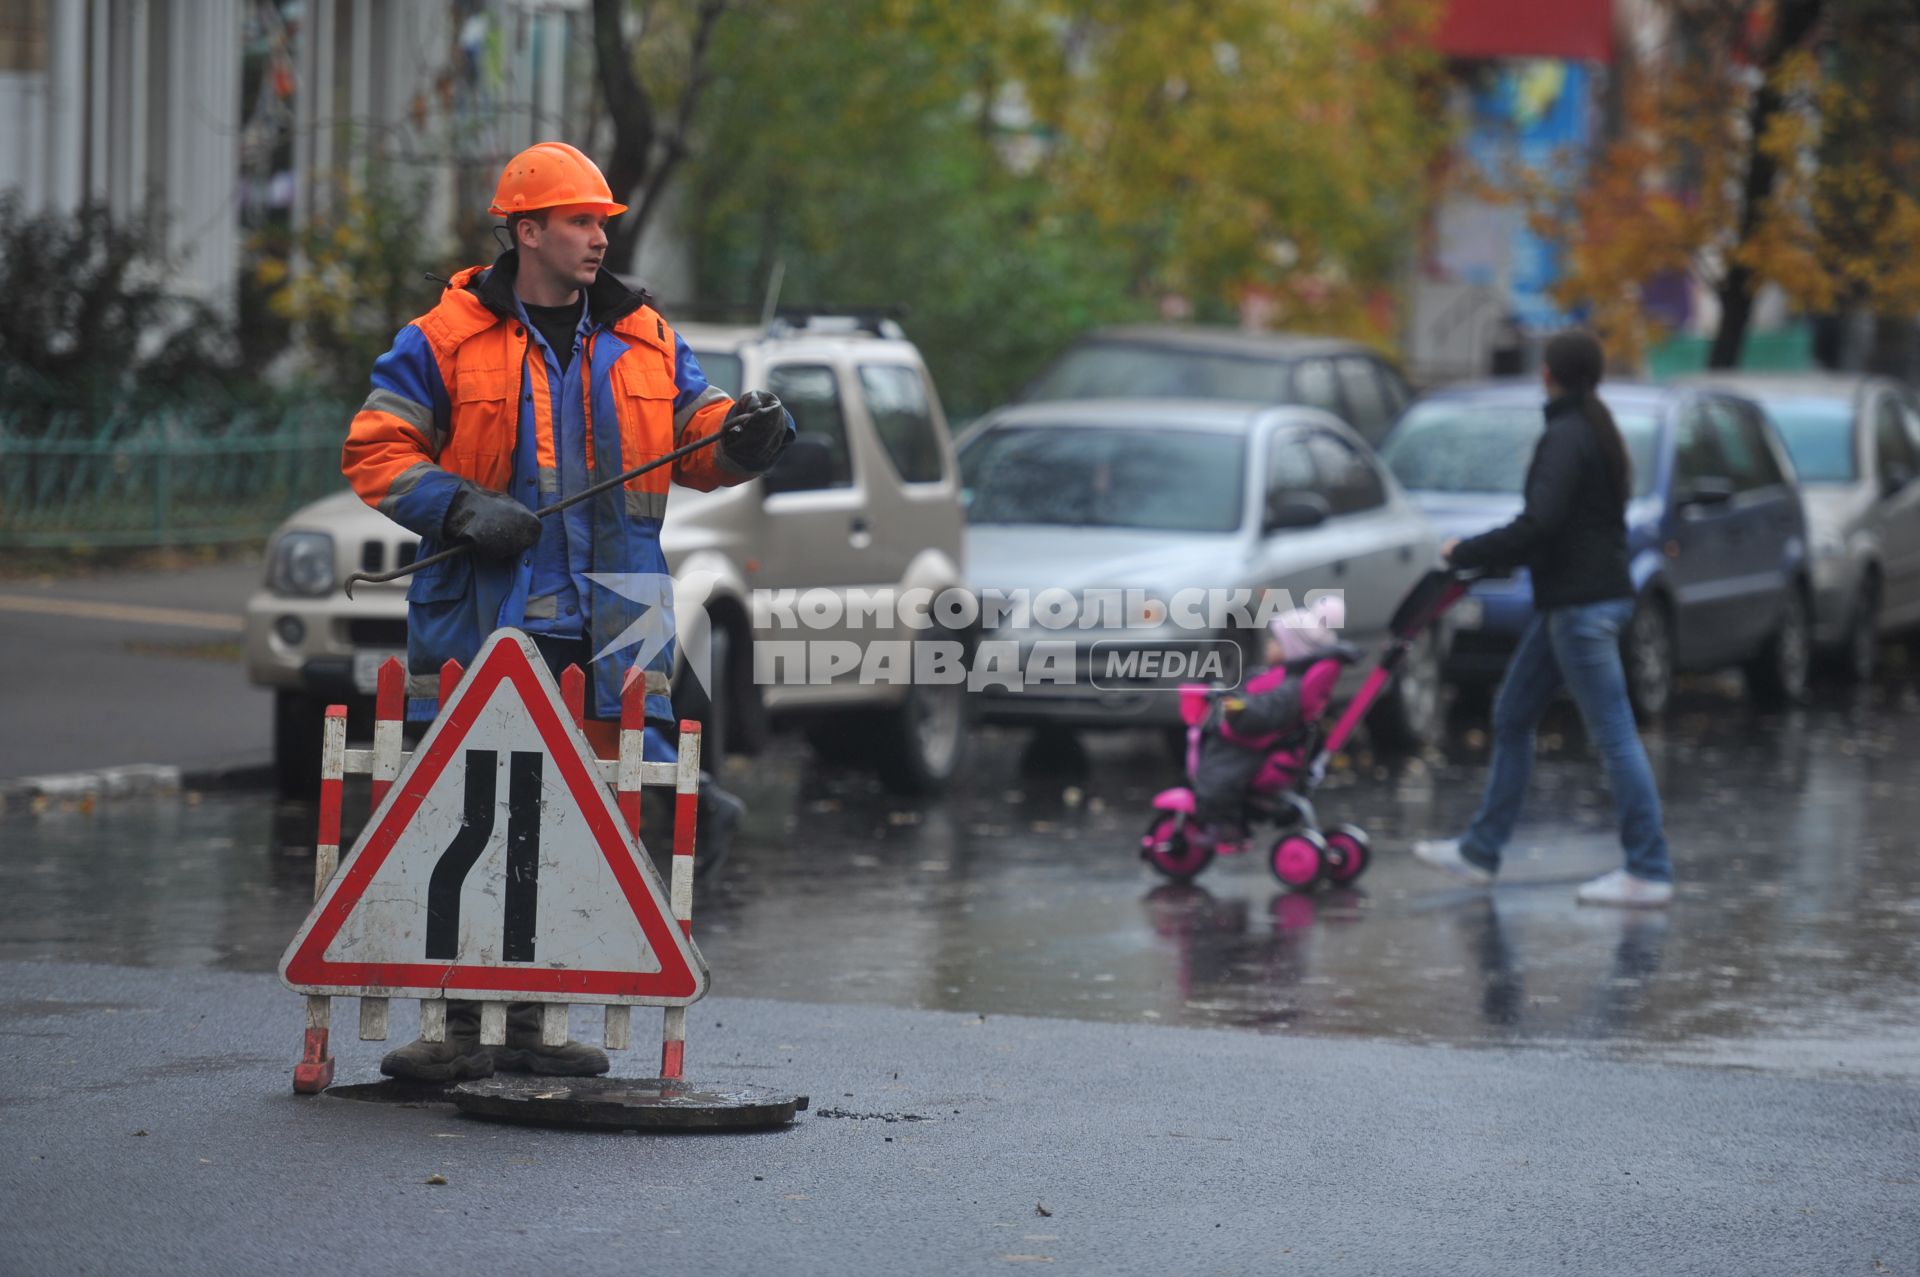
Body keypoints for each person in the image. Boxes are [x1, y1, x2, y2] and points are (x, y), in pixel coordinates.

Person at [340, 141, 793, 1081]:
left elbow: (697, 438)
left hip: (618, 618)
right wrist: (458, 505)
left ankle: (541, 1021)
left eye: (603, 223)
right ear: (527, 229)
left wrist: (746, 438)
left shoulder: (645, 336)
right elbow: (376, 450)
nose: (598, 238)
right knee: (470, 820)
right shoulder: (444, 337)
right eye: (581, 221)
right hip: (485, 617)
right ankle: (460, 1029)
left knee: (591, 821)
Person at [1414, 330, 1673, 908]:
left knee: (1613, 734)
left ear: (1548, 373)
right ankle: (1481, 850)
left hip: (1580, 609)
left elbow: (1541, 523)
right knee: (1511, 715)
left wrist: (1465, 551)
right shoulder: (1594, 430)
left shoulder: (1567, 435)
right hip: (1575, 603)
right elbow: (1564, 525)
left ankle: (1648, 869)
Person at [1191, 598, 1347, 845]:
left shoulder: (1287, 688)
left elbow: (1264, 711)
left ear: (1292, 649)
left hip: (1256, 746)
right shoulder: (1284, 678)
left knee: (1216, 777)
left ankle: (1226, 825)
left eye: (1276, 641)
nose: (1269, 646)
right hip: (1264, 742)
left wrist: (1239, 708)